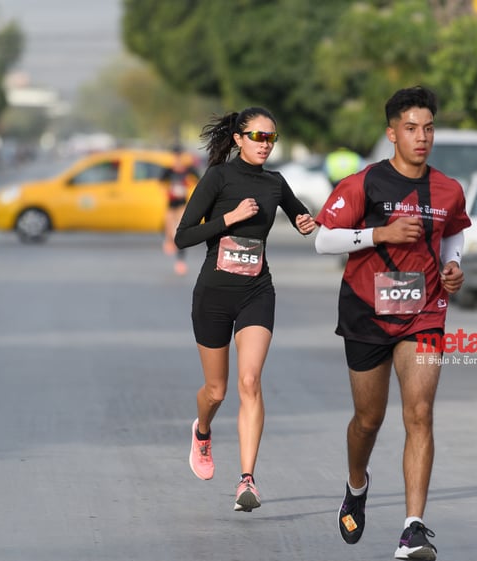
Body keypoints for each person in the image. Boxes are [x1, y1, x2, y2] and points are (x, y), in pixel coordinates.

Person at [314, 86, 470, 560]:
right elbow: (324, 240)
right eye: (410, 129)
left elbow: (456, 232)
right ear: (392, 134)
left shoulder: (448, 189)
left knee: (419, 413)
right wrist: (378, 233)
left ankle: (413, 528)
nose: (421, 137)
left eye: (428, 128)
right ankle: (357, 485)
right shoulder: (364, 184)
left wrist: (454, 268)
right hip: (366, 312)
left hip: (423, 314)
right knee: (369, 419)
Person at [174, 107, 316, 512]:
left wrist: (306, 222)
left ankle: (247, 481)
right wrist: (230, 218)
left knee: (250, 382)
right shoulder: (218, 177)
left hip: (257, 290)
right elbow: (183, 236)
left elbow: (298, 213)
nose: (265, 145)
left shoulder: (275, 182)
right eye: (257, 136)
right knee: (216, 391)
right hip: (214, 295)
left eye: (271, 138)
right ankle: (202, 431)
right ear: (238, 138)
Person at [161, 146, 194, 275]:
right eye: (176, 157)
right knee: (168, 225)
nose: (178, 159)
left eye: (180, 156)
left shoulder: (188, 170)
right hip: (171, 204)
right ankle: (169, 241)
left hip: (182, 204)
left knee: (179, 230)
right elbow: (160, 183)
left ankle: (180, 261)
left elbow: (198, 180)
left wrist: (188, 184)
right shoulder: (169, 170)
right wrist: (167, 192)